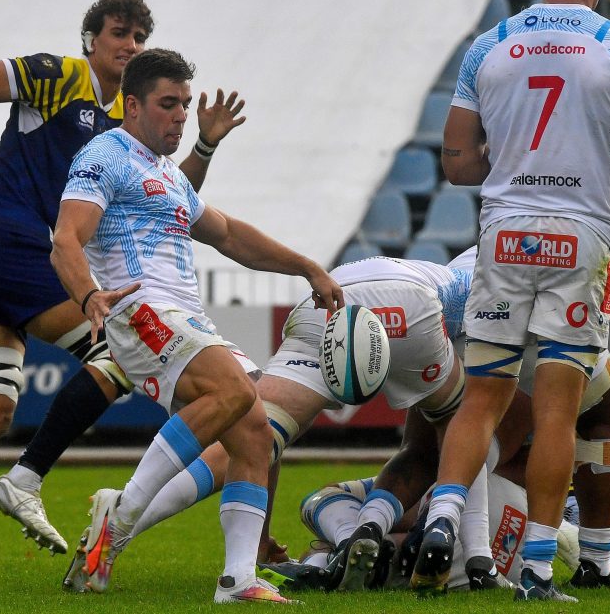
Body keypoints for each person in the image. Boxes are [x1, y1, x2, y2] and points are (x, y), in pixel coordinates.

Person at [0, 0, 246, 570]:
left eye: (139, 38)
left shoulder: (124, 126)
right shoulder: (57, 75)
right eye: (119, 34)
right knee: (121, 350)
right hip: (11, 244)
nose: (131, 46)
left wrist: (203, 143)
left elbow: (170, 197)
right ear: (90, 40)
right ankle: (25, 478)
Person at [411, 0, 610, 602]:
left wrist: (517, 155)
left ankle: (442, 519)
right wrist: (605, 148)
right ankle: (533, 569)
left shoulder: (490, 46)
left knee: (485, 396)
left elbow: (459, 163)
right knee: (558, 411)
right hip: (581, 237)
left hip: (502, 234)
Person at [51, 47, 342, 604]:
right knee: (233, 390)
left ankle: (237, 580)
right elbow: (65, 238)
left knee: (256, 430)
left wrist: (306, 265)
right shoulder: (105, 154)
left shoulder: (168, 175)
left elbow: (230, 235)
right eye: (169, 104)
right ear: (130, 106)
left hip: (185, 316)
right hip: (140, 310)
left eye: (185, 103)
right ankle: (122, 514)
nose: (181, 114)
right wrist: (87, 294)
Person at [61, 249, 493, 593]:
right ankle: (474, 562)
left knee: (253, 438)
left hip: (327, 301)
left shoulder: (450, 261)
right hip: (412, 313)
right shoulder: (499, 273)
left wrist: (264, 533)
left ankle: (118, 528)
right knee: (456, 430)